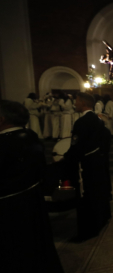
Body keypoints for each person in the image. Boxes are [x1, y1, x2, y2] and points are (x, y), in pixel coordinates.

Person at [0, 100, 63, 272]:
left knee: (15, 247)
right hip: (33, 198)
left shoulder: (5, 143)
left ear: (2, 119)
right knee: (36, 240)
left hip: (9, 205)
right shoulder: (31, 137)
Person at [61, 93, 112, 242]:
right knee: (98, 192)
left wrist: (65, 157)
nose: (74, 104)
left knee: (86, 196)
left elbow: (77, 146)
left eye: (76, 101)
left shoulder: (82, 122)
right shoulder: (98, 120)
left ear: (83, 103)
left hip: (86, 164)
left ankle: (88, 230)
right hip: (97, 161)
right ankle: (102, 219)